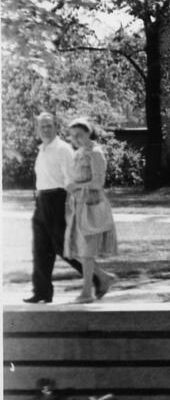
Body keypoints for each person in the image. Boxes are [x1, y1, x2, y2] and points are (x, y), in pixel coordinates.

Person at [24, 112, 106, 304]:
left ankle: (101, 277)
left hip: (58, 199)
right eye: (42, 126)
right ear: (37, 129)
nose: (46, 129)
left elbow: (72, 179)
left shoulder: (62, 149)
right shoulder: (42, 150)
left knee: (63, 246)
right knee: (40, 248)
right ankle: (42, 292)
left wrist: (72, 204)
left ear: (56, 127)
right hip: (42, 200)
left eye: (49, 125)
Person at [62, 118, 119, 304]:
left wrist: (76, 186)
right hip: (79, 205)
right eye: (72, 136)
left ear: (88, 133)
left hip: (92, 206)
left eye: (79, 135)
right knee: (80, 250)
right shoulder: (79, 153)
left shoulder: (95, 153)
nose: (76, 139)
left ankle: (87, 292)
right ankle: (103, 278)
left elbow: (98, 182)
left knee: (86, 252)